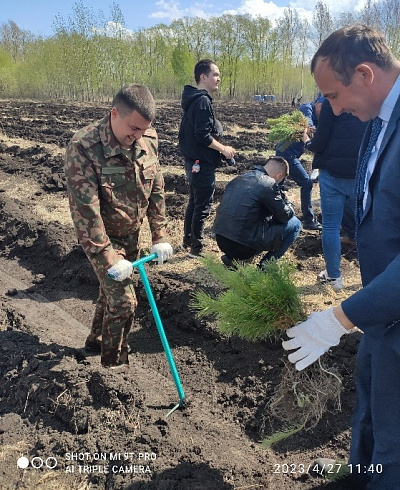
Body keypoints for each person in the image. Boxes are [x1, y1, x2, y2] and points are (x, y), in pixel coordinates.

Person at [282, 24, 400, 489]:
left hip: (390, 313)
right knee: (369, 414)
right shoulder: (379, 119)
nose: (331, 108)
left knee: (394, 443)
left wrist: (339, 318)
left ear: (365, 75)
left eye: (332, 95)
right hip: (381, 314)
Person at [65, 84, 173, 369]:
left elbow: (157, 186)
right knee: (125, 302)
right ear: (114, 113)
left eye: (143, 130)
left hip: (132, 233)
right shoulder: (84, 147)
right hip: (102, 239)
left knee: (109, 292)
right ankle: (113, 368)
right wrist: (108, 255)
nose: (137, 136)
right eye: (133, 128)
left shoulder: (147, 138)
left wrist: (159, 234)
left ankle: (96, 340)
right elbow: (86, 212)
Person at [305, 98, 367, 290]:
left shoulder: (332, 101)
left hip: (333, 175)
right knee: (368, 226)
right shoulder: (367, 97)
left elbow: (321, 141)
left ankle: (334, 277)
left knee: (330, 227)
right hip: (359, 174)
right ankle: (371, 278)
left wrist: (307, 141)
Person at [178, 59, 236, 258]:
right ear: (203, 77)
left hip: (194, 161)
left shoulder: (195, 99)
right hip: (201, 162)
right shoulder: (202, 101)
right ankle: (197, 247)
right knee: (202, 204)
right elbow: (202, 136)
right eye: (215, 75)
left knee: (195, 201)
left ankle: (188, 240)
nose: (218, 79)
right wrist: (224, 149)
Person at [213, 156, 302, 269]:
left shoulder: (239, 178)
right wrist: (289, 202)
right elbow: (284, 216)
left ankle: (232, 258)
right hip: (243, 247)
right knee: (295, 224)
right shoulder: (269, 184)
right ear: (279, 176)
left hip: (221, 239)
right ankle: (265, 266)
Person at [276, 98, 324, 231]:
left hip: (292, 154)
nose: (325, 111)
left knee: (277, 186)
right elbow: (307, 127)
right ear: (317, 104)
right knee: (307, 183)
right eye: (324, 107)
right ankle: (308, 220)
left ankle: (277, 214)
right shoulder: (306, 108)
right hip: (286, 154)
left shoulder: (320, 116)